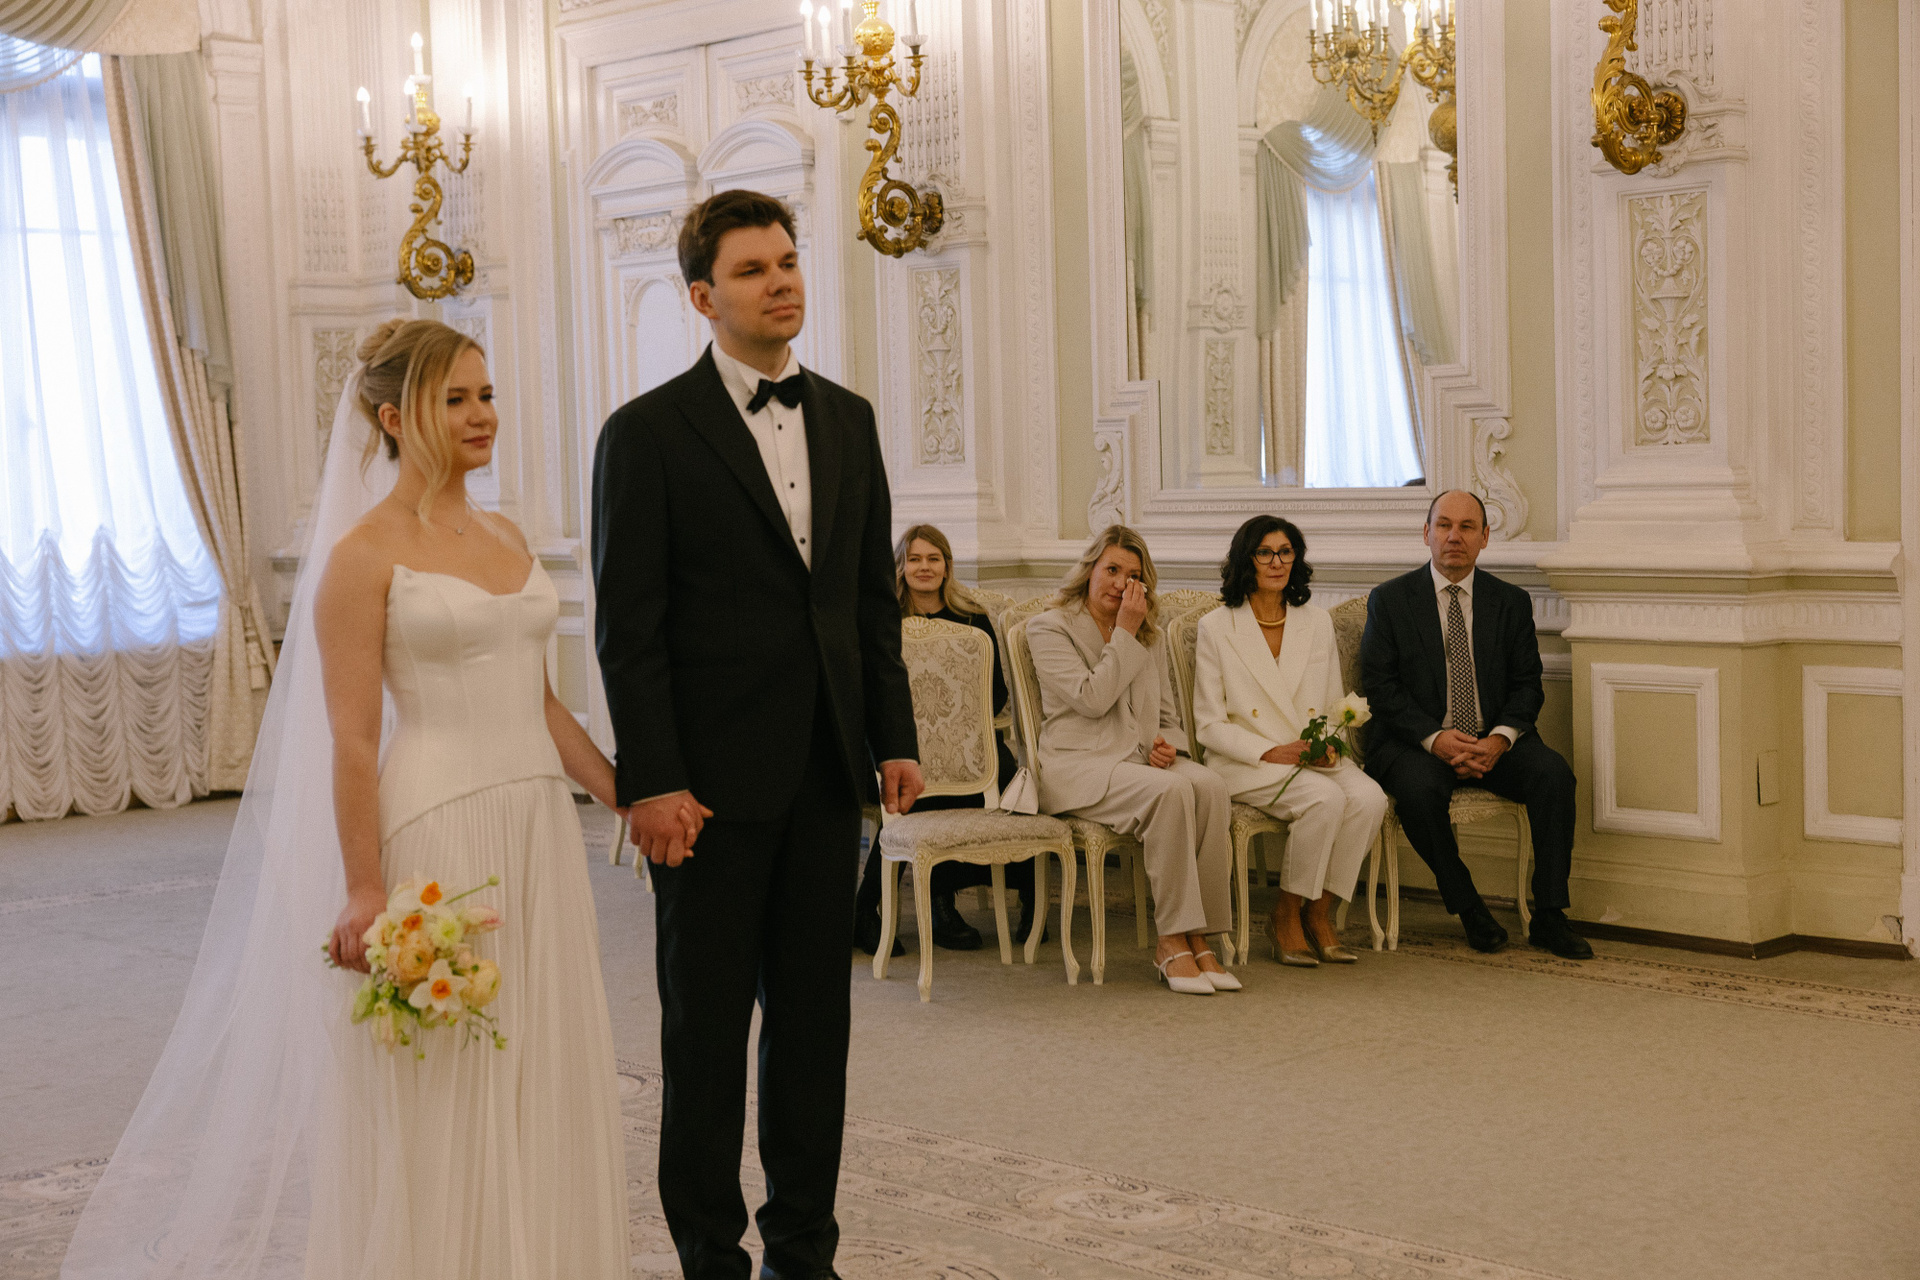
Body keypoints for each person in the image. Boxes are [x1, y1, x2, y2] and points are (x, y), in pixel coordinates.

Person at [60, 320, 630, 1279]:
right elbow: (355, 739)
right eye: (455, 399)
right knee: (451, 1073)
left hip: (537, 825)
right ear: (393, 419)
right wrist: (366, 888)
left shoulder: (506, 535)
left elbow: (538, 703)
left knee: (541, 1055)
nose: (482, 416)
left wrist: (624, 797)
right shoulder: (362, 556)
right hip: (439, 825)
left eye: (486, 395)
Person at [591, 189, 922, 1280]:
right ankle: (708, 1257)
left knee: (815, 1032)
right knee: (704, 1035)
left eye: (787, 261)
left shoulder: (850, 419)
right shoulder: (644, 434)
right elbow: (629, 630)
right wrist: (653, 781)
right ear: (702, 297)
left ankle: (803, 1253)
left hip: (826, 772)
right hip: (705, 790)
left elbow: (869, 601)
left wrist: (893, 736)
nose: (780, 281)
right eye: (751, 269)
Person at [1359, 489, 1591, 960]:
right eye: (1444, 525)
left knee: (1553, 776)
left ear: (1485, 537)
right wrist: (1436, 739)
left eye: (1467, 527)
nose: (1454, 536)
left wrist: (1500, 740)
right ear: (1426, 534)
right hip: (1416, 742)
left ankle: (1550, 915)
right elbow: (1381, 689)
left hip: (1492, 741)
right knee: (1419, 790)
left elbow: (1527, 685)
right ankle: (1468, 907)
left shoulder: (1510, 602)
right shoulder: (1391, 600)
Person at [1026, 525, 1238, 996]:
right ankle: (1171, 940)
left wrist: (1169, 746)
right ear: (1090, 570)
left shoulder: (1149, 635)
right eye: (1112, 570)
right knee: (1172, 791)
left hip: (1137, 760)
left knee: (1210, 786)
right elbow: (1090, 700)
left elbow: (1165, 715)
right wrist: (1123, 632)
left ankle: (1200, 936)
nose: (1121, 583)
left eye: (1133, 575)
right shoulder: (1050, 627)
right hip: (1077, 765)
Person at [1192, 515, 1388, 966]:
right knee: (1324, 799)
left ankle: (1319, 911)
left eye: (1285, 552)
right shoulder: (1216, 627)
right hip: (1245, 760)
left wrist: (1332, 745)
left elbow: (1333, 702)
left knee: (1370, 798)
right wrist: (1271, 751)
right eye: (1265, 553)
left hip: (1309, 754)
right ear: (1246, 560)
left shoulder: (1315, 622)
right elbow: (1209, 725)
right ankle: (1285, 913)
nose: (1276, 562)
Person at [853, 524, 1034, 954]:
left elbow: (996, 694)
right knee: (917, 788)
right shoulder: (882, 618)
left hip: (967, 745)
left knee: (1016, 784)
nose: (924, 567)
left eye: (933, 559)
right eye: (914, 559)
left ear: (947, 567)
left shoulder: (973, 618)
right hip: (895, 748)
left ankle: (1029, 901)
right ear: (900, 566)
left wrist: (956, 731)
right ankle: (889, 908)